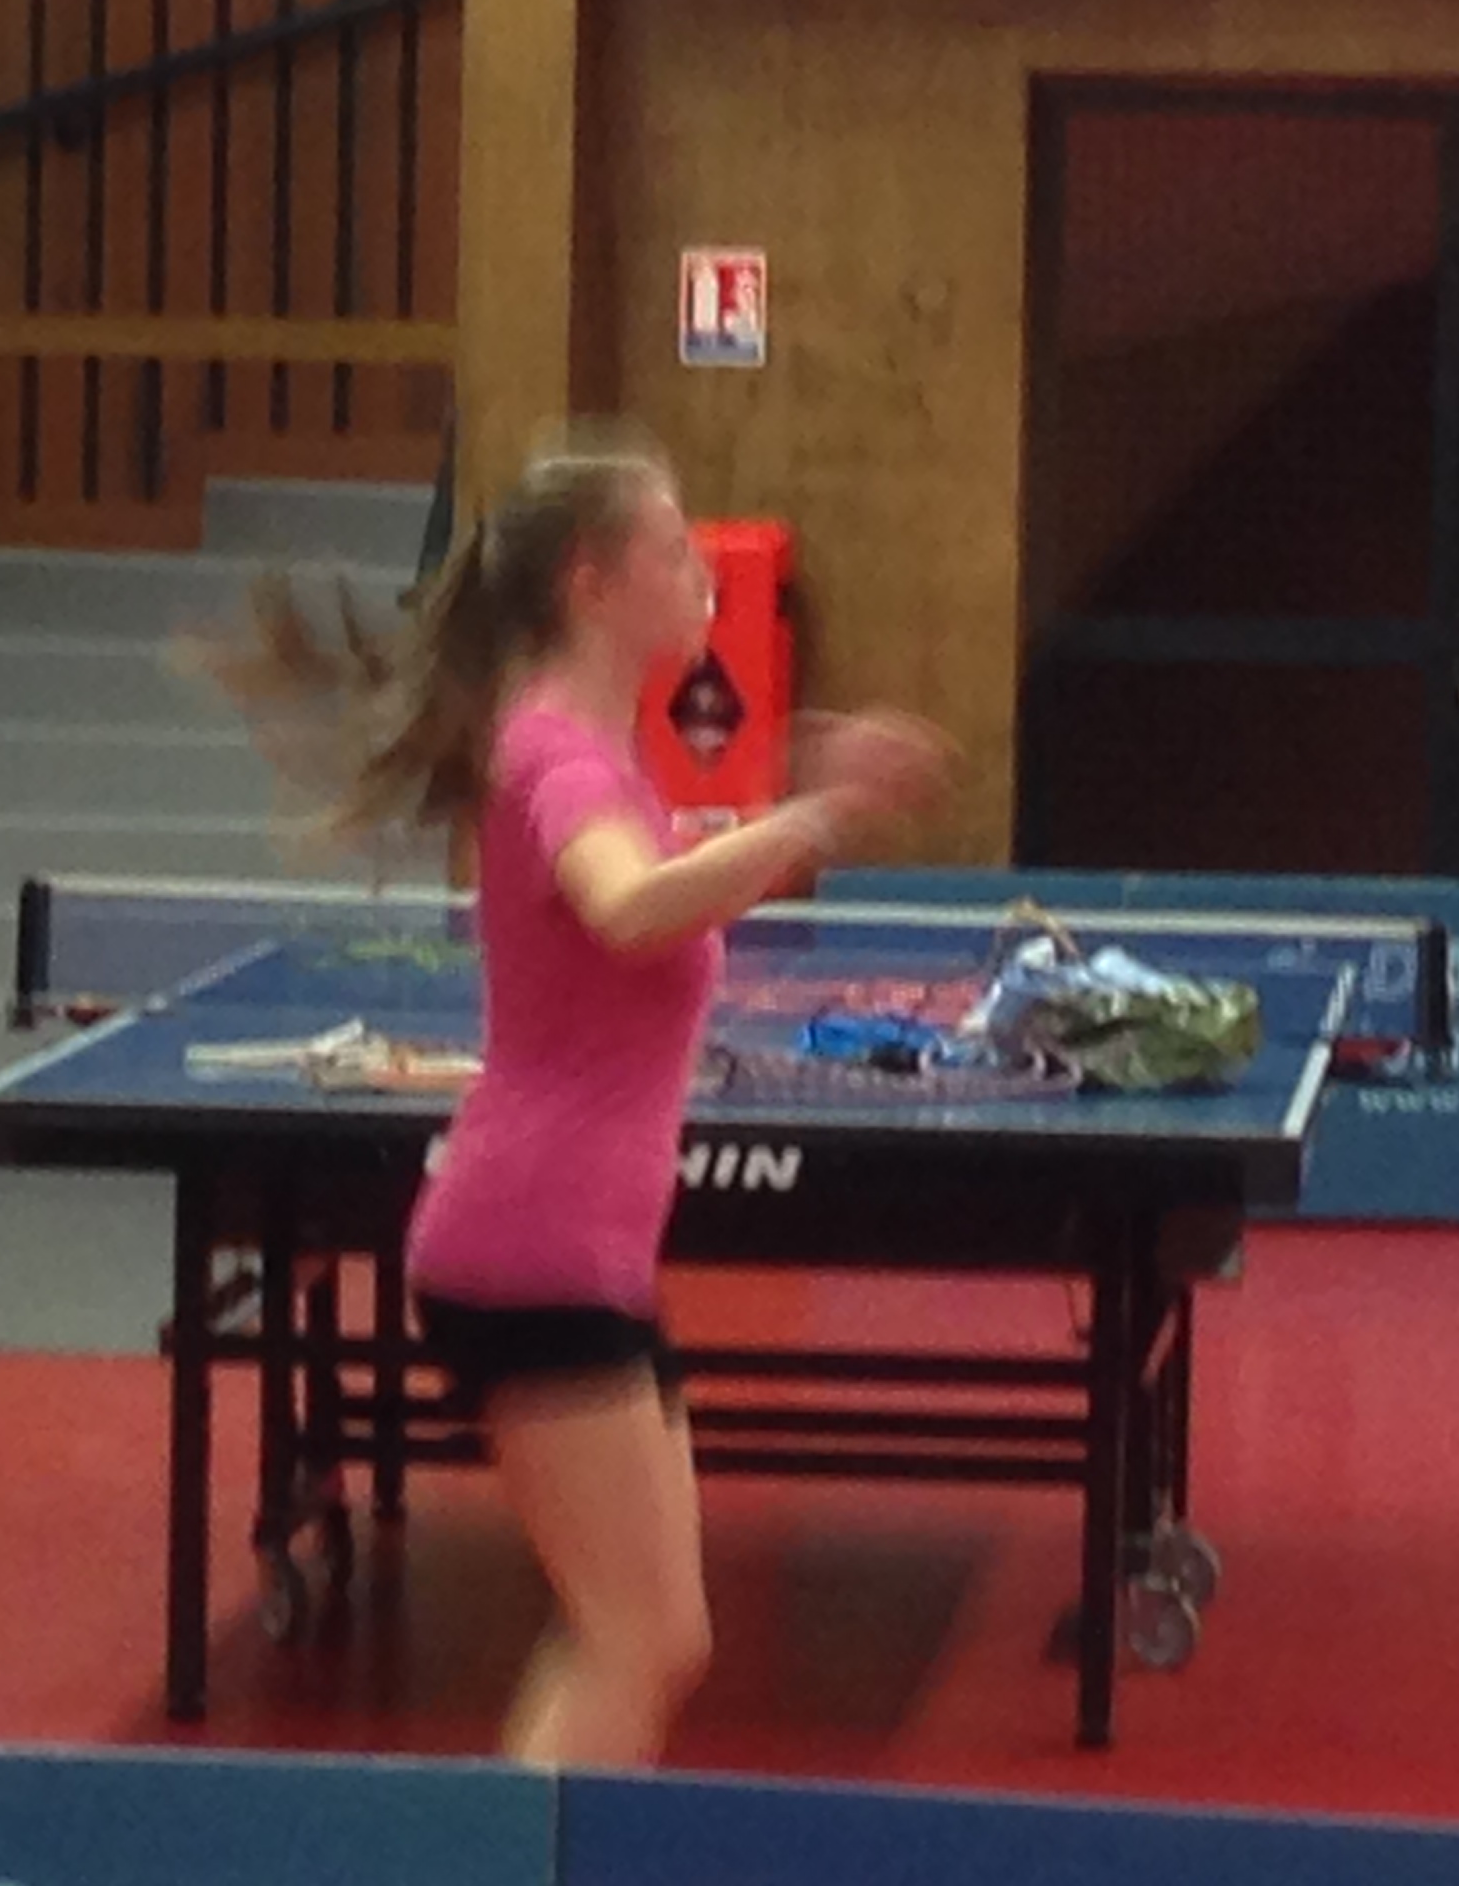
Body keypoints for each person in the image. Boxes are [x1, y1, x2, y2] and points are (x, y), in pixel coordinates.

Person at [203, 424, 952, 1768]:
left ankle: (544, 1874)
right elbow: (627, 906)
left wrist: (758, 832)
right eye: (670, 546)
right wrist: (816, 819)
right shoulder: (562, 758)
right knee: (630, 1637)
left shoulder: (597, 752)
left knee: (663, 1636)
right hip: (529, 1249)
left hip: (583, 1252)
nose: (699, 569)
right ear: (592, 584)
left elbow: (629, 911)